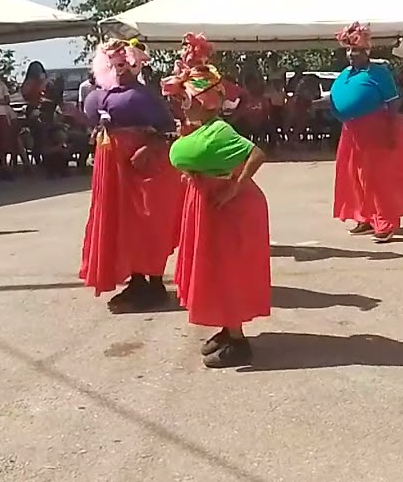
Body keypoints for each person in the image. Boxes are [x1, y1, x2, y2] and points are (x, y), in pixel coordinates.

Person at [161, 33, 271, 369]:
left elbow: (256, 153)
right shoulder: (197, 128)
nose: (182, 104)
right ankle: (226, 329)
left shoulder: (220, 130)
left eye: (186, 98)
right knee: (212, 267)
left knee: (227, 269)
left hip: (230, 209)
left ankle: (238, 340)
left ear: (203, 100)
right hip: (209, 204)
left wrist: (233, 188)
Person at [79, 38, 184, 313]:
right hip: (113, 166)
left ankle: (154, 283)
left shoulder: (145, 95)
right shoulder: (99, 93)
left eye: (124, 64)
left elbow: (169, 129)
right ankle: (137, 281)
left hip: (144, 167)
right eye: (114, 64)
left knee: (147, 222)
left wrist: (149, 147)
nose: (120, 69)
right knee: (121, 222)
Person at [329, 22, 403, 243]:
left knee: (378, 178)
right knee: (356, 176)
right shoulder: (346, 73)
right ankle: (365, 217)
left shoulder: (379, 73)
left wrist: (391, 131)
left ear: (367, 51)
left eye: (357, 50)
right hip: (351, 131)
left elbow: (393, 103)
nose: (351, 54)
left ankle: (386, 221)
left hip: (375, 129)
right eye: (349, 50)